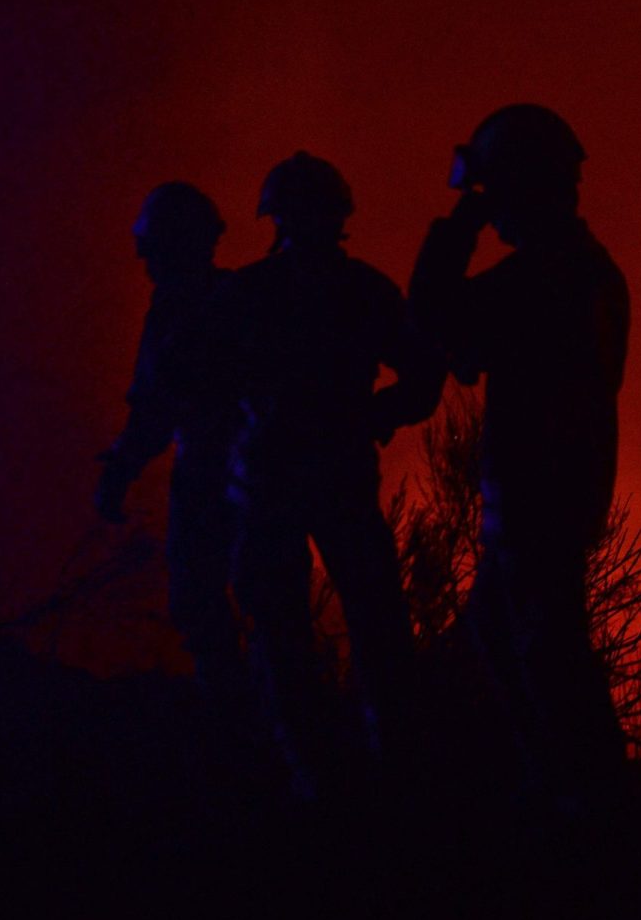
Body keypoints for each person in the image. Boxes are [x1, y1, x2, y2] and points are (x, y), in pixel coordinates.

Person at [196, 151, 444, 796]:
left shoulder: (247, 293)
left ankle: (317, 771)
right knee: (368, 625)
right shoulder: (361, 290)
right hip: (329, 481)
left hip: (276, 484)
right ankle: (388, 767)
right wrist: (370, 415)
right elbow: (421, 378)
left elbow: (189, 380)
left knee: (290, 633)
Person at [410, 105, 630, 803]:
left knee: (545, 656)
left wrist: (456, 233)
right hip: (560, 492)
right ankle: (557, 799)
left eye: (495, 192)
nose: (491, 209)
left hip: (535, 496)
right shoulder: (591, 270)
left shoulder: (540, 278)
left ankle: (587, 816)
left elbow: (438, 321)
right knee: (504, 649)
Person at [94, 181, 246, 700]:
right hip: (253, 470)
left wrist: (120, 469)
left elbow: (156, 405)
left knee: (201, 596)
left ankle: (235, 717)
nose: (146, 262)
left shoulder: (185, 310)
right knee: (256, 598)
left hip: (215, 472)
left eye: (154, 249)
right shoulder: (238, 297)